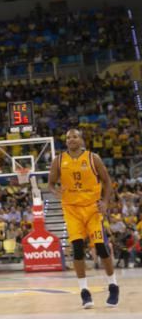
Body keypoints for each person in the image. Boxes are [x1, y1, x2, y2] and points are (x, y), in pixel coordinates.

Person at [48, 128, 119, 308]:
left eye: (75, 136)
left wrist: (105, 201)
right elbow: (50, 183)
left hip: (92, 209)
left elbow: (107, 181)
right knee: (77, 249)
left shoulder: (93, 158)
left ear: (81, 139)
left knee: (101, 248)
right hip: (72, 210)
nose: (71, 139)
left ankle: (113, 285)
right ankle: (84, 292)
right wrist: (55, 191)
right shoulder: (59, 160)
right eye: (68, 137)